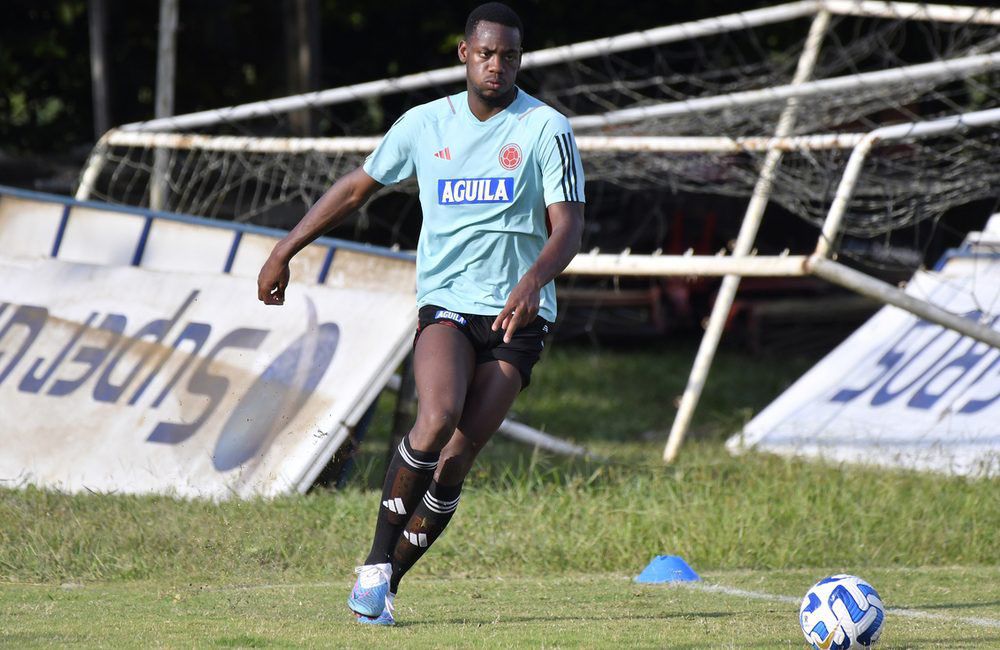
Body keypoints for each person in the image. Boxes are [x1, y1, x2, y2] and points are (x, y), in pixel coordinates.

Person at [257, 1, 585, 626]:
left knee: (457, 458)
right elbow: (357, 188)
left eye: (509, 56)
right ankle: (374, 563)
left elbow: (568, 227)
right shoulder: (424, 126)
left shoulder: (547, 130)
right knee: (435, 418)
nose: (497, 65)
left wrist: (533, 279)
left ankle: (387, 584)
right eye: (486, 53)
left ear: (520, 59)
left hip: (519, 319)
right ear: (465, 53)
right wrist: (284, 249)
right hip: (448, 306)